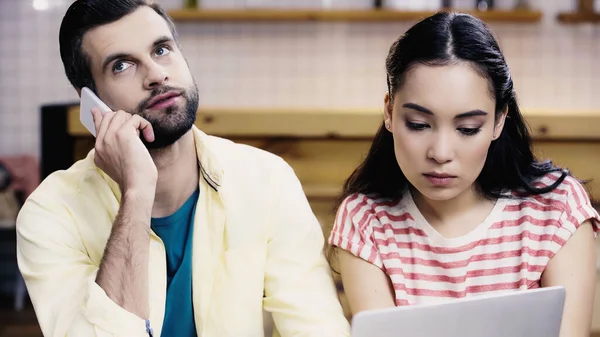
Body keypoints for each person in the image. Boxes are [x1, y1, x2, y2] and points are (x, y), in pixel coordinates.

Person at [16, 1, 350, 336]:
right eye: (121, 66)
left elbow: (316, 327)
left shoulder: (267, 181)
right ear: (90, 101)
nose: (156, 74)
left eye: (161, 50)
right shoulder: (51, 213)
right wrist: (136, 192)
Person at [328, 11, 599, 337]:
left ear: (499, 121)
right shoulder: (366, 220)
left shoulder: (557, 209)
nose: (440, 153)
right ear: (389, 112)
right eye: (418, 124)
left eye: (468, 128)